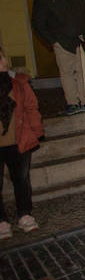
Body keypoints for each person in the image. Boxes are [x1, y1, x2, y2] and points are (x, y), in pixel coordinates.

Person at [30, 0, 85, 115]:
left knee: (83, 71)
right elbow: (38, 23)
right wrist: (53, 41)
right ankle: (72, 102)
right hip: (61, 40)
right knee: (66, 72)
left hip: (84, 38)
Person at [0, 47, 43, 239]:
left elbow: (31, 107)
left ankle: (24, 214)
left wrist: (35, 131)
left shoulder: (18, 82)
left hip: (19, 140)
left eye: (2, 55)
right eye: (0, 56)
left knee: (22, 179)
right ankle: (1, 221)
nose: (3, 59)